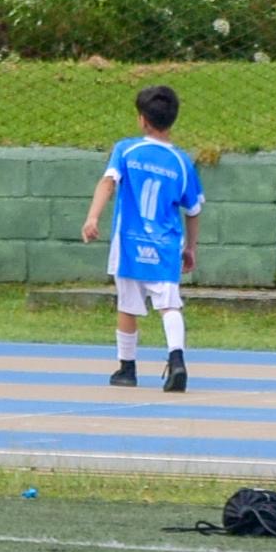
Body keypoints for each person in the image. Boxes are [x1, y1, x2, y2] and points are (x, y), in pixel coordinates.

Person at [78, 82, 199, 393]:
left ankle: (127, 368)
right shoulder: (182, 162)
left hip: (130, 243)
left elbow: (108, 183)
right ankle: (177, 360)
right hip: (165, 245)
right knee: (169, 305)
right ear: (172, 119)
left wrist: (92, 217)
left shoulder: (126, 150)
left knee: (127, 305)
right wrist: (190, 248)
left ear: (143, 120)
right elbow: (193, 209)